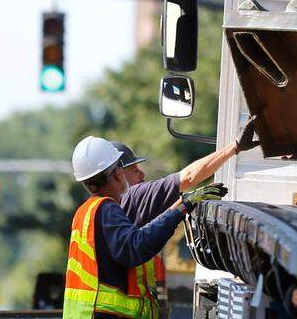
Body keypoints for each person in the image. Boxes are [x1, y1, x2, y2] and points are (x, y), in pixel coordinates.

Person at [63, 136, 226, 319]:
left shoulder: (85, 212)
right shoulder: (107, 210)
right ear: (118, 173)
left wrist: (181, 204)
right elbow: (136, 246)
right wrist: (181, 208)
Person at [112, 115, 260, 225]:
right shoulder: (133, 195)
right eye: (134, 169)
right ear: (119, 174)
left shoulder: (104, 209)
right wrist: (235, 147)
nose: (142, 174)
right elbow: (188, 178)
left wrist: (188, 200)